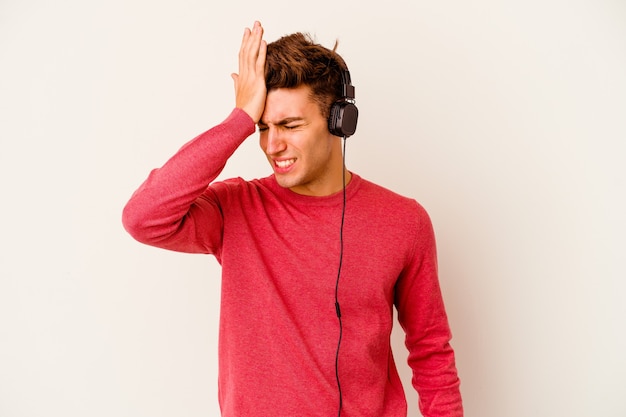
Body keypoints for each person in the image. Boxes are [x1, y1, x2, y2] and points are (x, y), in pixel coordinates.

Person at [122, 21, 463, 417]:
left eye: (290, 125)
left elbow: (431, 351)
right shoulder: (235, 207)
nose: (271, 144)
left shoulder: (405, 221)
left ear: (339, 122)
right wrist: (239, 120)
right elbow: (142, 217)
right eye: (263, 127)